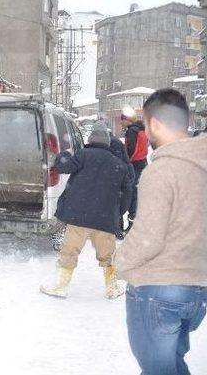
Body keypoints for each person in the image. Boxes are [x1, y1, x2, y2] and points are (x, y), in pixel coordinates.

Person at [115, 88, 207, 375]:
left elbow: (148, 238)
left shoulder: (161, 171)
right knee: (172, 366)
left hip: (159, 290)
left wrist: (119, 261)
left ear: (153, 124)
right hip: (197, 289)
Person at [40, 121, 132, 299]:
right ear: (107, 142)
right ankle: (112, 287)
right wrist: (117, 213)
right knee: (107, 256)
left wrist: (64, 154)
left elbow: (62, 167)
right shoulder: (119, 165)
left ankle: (61, 286)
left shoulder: (83, 155)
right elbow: (127, 193)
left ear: (91, 139)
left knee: (69, 251)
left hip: (78, 217)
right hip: (104, 221)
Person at [121, 107, 149, 229]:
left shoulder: (132, 131)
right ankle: (134, 220)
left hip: (135, 166)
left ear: (128, 120)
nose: (121, 121)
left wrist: (126, 161)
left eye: (123, 119)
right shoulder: (142, 130)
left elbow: (131, 150)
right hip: (142, 164)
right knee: (137, 192)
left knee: (130, 192)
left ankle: (132, 221)